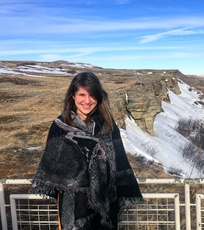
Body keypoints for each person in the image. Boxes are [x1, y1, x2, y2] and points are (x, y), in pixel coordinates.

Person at [29, 72, 143, 229]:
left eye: (92, 95)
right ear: (73, 96)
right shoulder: (60, 127)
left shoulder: (108, 125)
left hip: (106, 205)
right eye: (82, 94)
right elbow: (53, 170)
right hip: (74, 206)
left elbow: (119, 162)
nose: (87, 101)